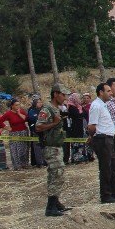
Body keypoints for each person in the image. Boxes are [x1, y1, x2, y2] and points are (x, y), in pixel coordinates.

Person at [88, 82, 115, 203]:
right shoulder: (96, 106)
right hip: (102, 140)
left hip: (108, 138)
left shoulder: (103, 105)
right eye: (108, 91)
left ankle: (114, 191)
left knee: (113, 166)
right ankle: (105, 195)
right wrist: (92, 138)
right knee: (106, 168)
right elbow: (92, 126)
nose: (111, 93)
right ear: (101, 92)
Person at [34, 84, 72, 217]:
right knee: (56, 173)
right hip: (50, 147)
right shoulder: (47, 109)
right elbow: (38, 127)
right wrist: (55, 123)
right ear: (55, 94)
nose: (65, 98)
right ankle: (50, 206)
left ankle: (55, 202)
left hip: (57, 145)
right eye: (63, 95)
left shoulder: (56, 109)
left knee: (57, 174)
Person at [1, 99, 31, 170]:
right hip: (14, 133)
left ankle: (24, 164)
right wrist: (7, 127)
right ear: (12, 106)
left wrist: (19, 113)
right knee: (15, 149)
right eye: (16, 105)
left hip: (24, 132)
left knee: (24, 149)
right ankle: (17, 165)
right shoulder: (8, 113)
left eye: (19, 105)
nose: (18, 106)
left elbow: (26, 119)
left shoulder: (22, 111)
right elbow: (0, 121)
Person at [63, 93, 86, 165]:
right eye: (78, 98)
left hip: (80, 126)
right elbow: (78, 115)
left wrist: (81, 111)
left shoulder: (78, 106)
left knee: (80, 143)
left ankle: (80, 157)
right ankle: (75, 158)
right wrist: (81, 112)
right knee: (75, 143)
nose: (79, 99)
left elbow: (84, 114)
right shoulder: (71, 107)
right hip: (74, 127)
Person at [26, 96, 47, 168]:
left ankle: (45, 161)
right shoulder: (32, 110)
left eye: (41, 102)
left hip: (44, 130)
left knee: (44, 147)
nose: (40, 103)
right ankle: (39, 162)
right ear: (35, 103)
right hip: (36, 131)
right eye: (38, 102)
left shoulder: (44, 109)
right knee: (37, 147)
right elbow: (32, 118)